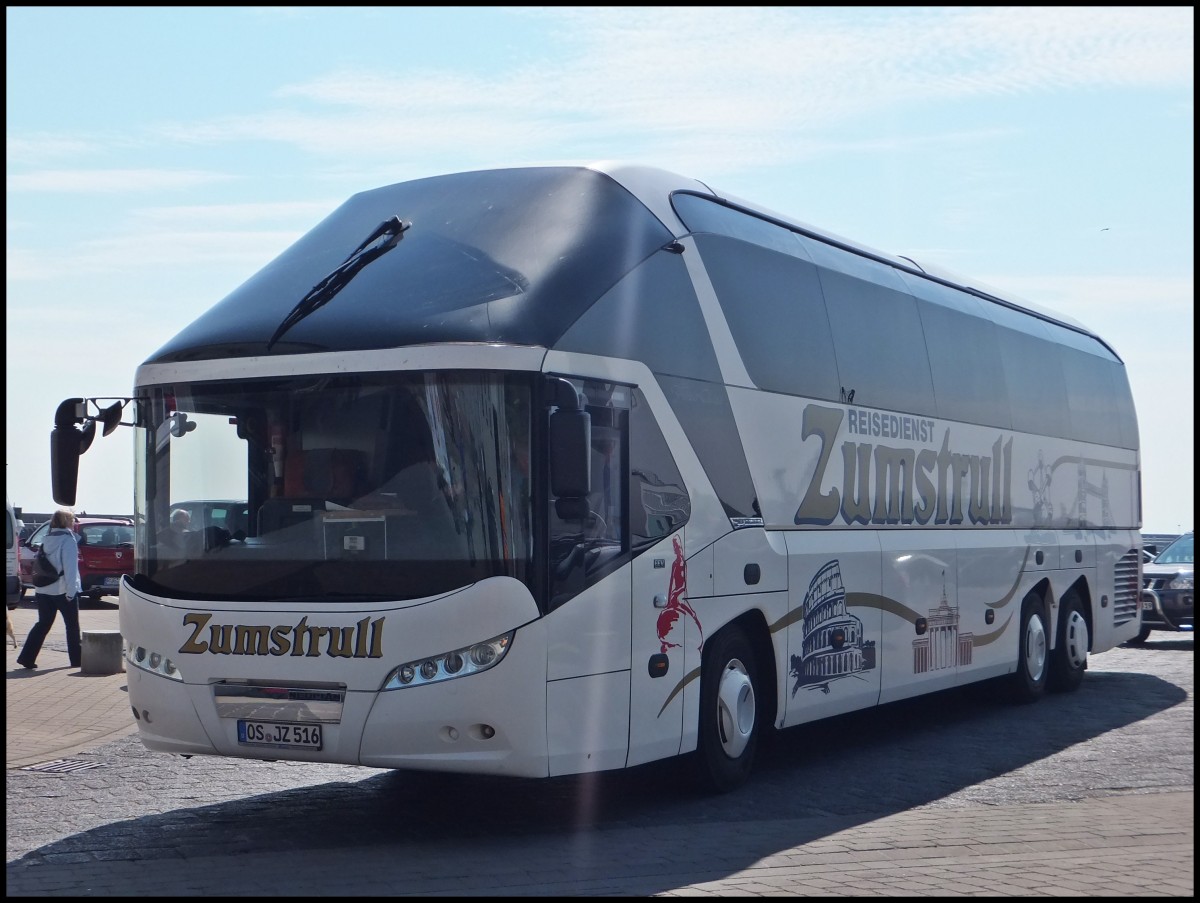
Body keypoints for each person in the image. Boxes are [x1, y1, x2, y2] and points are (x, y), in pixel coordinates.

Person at [16, 509, 83, 670]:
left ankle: (26, 657)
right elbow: (70, 568)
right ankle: (76, 660)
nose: (74, 523)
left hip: (43, 589)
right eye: (72, 520)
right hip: (62, 590)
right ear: (67, 522)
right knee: (72, 626)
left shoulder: (46, 539)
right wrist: (71, 591)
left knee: (43, 623)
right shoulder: (68, 541)